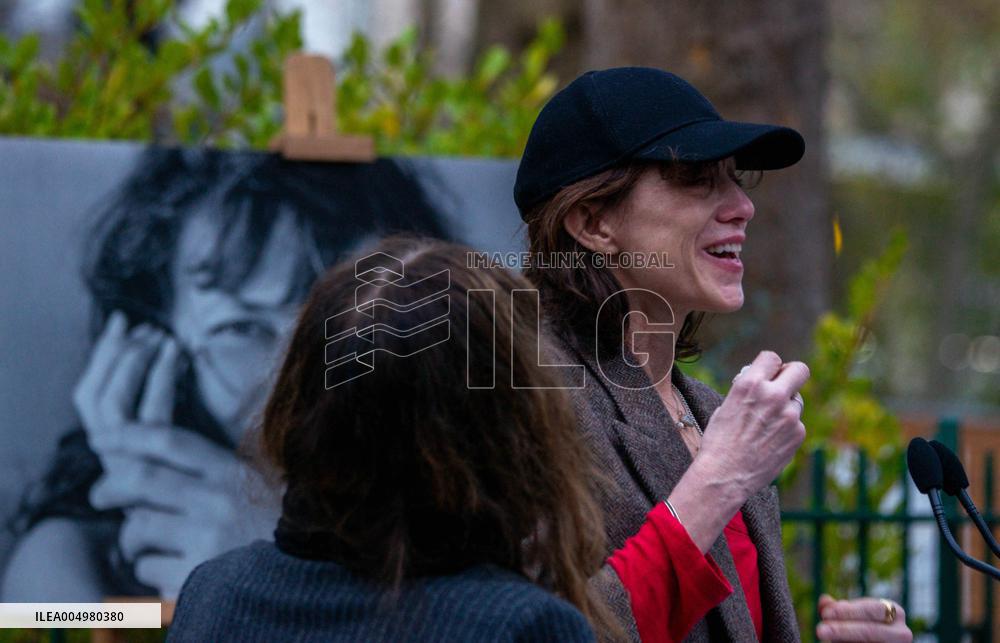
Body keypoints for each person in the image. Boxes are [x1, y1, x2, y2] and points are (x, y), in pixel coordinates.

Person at [514, 67, 914, 643]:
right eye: (695, 179)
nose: (742, 206)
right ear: (593, 222)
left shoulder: (708, 411)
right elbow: (538, 633)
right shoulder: (524, 397)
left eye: (735, 179)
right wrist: (719, 479)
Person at [2, 148, 448, 600]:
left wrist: (287, 563)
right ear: (150, 359)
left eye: (360, 323)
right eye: (242, 329)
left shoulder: (466, 543)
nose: (305, 380)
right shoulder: (70, 571)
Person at [167, 235, 606, 642]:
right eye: (238, 327)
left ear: (299, 407)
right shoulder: (521, 625)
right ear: (512, 424)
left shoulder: (214, 592)